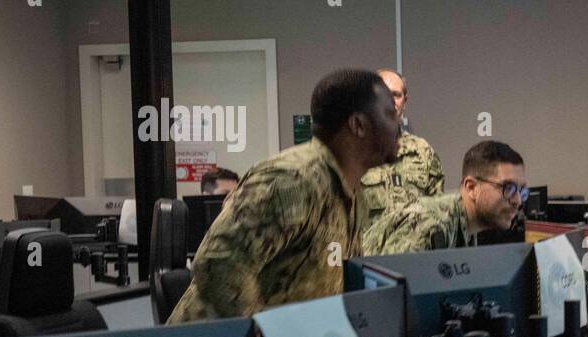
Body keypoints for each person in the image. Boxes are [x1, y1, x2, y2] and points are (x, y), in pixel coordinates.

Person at [168, 68, 399, 323]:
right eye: (389, 113)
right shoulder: (293, 180)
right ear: (358, 125)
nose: (398, 124)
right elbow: (218, 265)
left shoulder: (351, 190)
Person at [363, 140, 526, 255]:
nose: (518, 201)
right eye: (508, 188)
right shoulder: (429, 224)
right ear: (471, 188)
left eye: (521, 190)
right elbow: (390, 294)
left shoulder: (465, 226)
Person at [360, 68, 444, 222]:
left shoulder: (423, 153)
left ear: (404, 102)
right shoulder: (351, 153)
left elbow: (436, 215)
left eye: (396, 95)